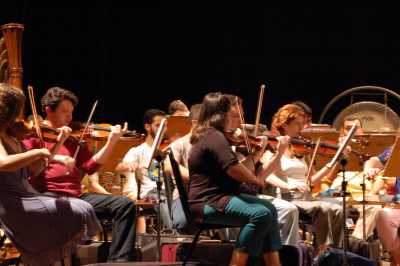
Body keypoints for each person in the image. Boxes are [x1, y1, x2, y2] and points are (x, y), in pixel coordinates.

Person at [23, 87, 137, 262]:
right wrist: (58, 153)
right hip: (47, 197)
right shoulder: (33, 136)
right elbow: (32, 169)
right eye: (64, 112)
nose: (70, 117)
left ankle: (118, 262)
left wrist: (112, 142)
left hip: (77, 196)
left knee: (125, 204)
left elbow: (91, 167)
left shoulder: (73, 139)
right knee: (71, 213)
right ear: (48, 111)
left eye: (71, 112)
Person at [0, 83, 102, 265]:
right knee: (75, 211)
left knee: (81, 208)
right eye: (17, 111)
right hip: (12, 201)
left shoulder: (14, 136)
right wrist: (37, 152)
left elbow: (35, 169)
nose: (19, 118)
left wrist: (58, 142)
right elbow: (3, 163)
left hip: (28, 193)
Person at [188, 92, 286, 266]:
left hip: (220, 197)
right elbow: (233, 168)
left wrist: (256, 154)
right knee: (260, 214)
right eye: (230, 113)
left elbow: (235, 167)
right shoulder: (214, 137)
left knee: (270, 208)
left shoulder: (211, 135)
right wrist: (255, 180)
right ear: (222, 114)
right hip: (208, 202)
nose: (233, 118)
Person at [261, 104, 344, 257]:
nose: (302, 128)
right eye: (297, 124)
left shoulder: (299, 148)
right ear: (285, 125)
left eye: (302, 123)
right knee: (324, 208)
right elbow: (267, 175)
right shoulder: (272, 147)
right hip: (285, 197)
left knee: (339, 208)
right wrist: (288, 185)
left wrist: (330, 164)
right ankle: (321, 252)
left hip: (305, 197)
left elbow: (310, 180)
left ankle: (335, 252)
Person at [224, 94, 300, 246]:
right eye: (235, 117)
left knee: (291, 210)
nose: (241, 122)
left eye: (241, 117)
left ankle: (287, 255)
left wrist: (279, 153)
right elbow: (241, 175)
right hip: (230, 197)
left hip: (249, 194)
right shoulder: (221, 142)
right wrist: (257, 153)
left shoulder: (241, 142)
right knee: (266, 212)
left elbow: (260, 176)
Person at [114, 109, 174, 231]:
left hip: (170, 190)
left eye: (165, 126)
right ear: (147, 127)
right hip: (151, 192)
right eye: (158, 125)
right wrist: (129, 165)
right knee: (162, 201)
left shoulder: (168, 148)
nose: (163, 129)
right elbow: (118, 167)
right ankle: (176, 234)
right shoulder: (138, 150)